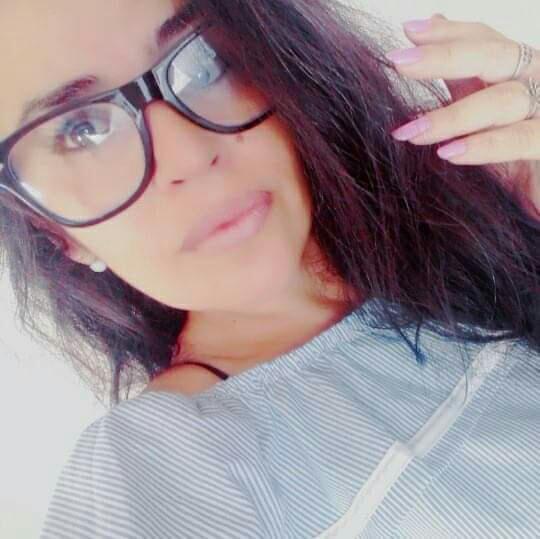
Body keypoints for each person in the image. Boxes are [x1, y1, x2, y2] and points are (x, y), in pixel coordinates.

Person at [0, 0, 538, 537]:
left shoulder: (470, 231)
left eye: (204, 61)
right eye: (83, 130)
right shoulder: (161, 465)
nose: (189, 155)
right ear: (52, 228)